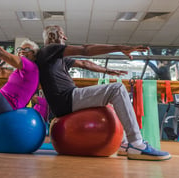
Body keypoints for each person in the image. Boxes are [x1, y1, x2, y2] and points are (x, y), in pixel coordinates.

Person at [35, 25, 171, 161]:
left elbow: (84, 63)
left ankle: (123, 144)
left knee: (110, 99)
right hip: (66, 99)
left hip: (67, 100)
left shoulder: (55, 57)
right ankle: (136, 143)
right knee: (117, 89)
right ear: (51, 36)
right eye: (61, 34)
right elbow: (85, 50)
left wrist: (106, 71)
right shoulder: (49, 49)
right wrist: (119, 48)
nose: (65, 37)